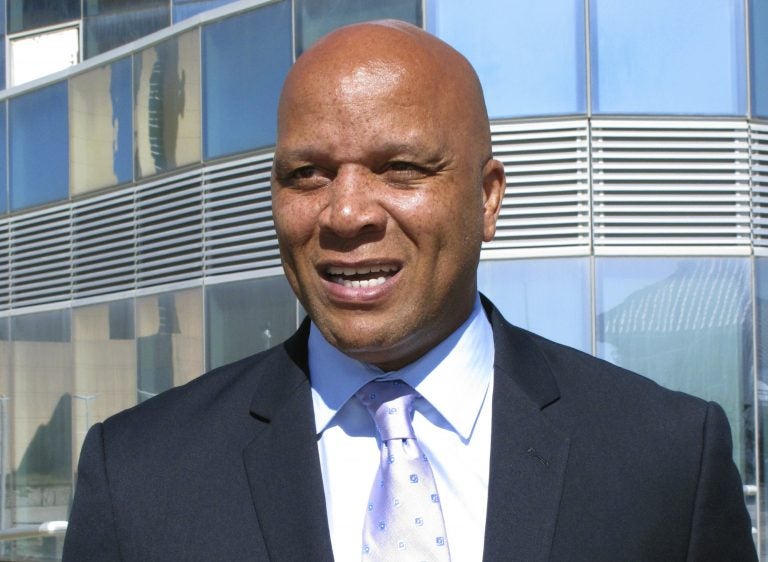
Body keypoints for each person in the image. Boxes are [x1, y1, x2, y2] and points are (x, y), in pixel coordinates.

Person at [63, 20, 757, 562]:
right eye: (307, 174)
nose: (346, 213)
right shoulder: (138, 478)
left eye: (400, 168)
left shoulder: (664, 460)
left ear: (487, 199)